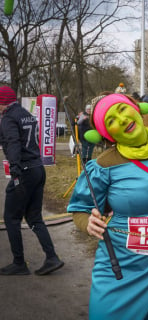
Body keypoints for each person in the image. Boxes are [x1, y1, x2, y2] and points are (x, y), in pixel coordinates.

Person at [67, 93, 148, 319]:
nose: (120, 120)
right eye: (110, 120)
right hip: (120, 262)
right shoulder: (103, 165)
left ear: (137, 109)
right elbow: (80, 208)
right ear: (107, 133)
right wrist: (87, 223)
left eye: (122, 110)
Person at [0, 86, 64, 276]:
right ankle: (52, 257)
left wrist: (15, 171)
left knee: (11, 218)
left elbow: (13, 143)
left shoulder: (8, 118)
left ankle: (19, 263)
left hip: (25, 172)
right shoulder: (25, 114)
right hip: (38, 168)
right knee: (34, 217)